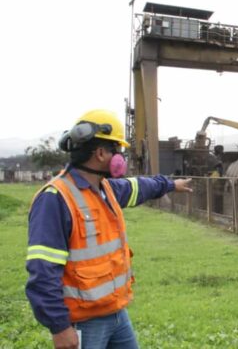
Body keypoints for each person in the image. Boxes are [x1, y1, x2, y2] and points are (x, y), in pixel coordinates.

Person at [25, 109, 192, 349]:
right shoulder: (55, 199)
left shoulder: (106, 189)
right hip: (83, 322)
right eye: (117, 150)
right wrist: (60, 327)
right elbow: (43, 270)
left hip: (115, 312)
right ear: (101, 153)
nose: (120, 157)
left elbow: (138, 187)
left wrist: (170, 184)